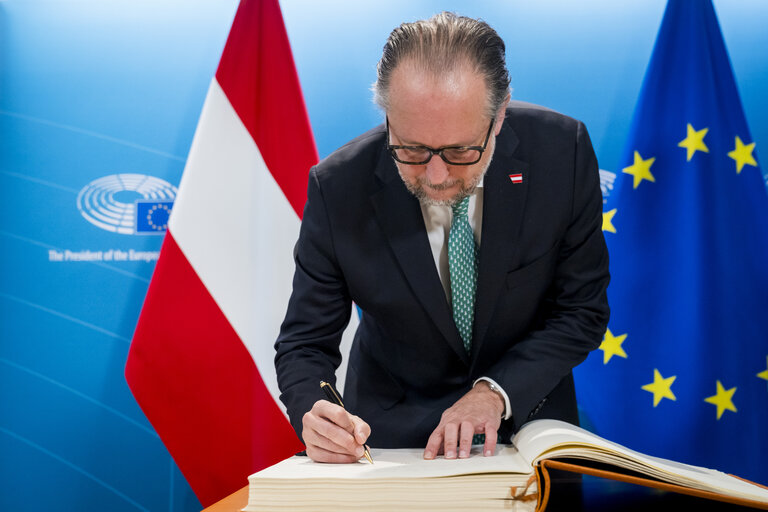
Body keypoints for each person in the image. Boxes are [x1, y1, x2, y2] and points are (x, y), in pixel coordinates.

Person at [274, 12, 609, 464]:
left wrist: (494, 392)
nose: (435, 177)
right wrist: (314, 413)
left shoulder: (560, 152)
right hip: (390, 442)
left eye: (459, 151)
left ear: (500, 114)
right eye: (412, 149)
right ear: (387, 115)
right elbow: (305, 342)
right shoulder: (338, 187)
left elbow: (581, 311)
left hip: (528, 429)